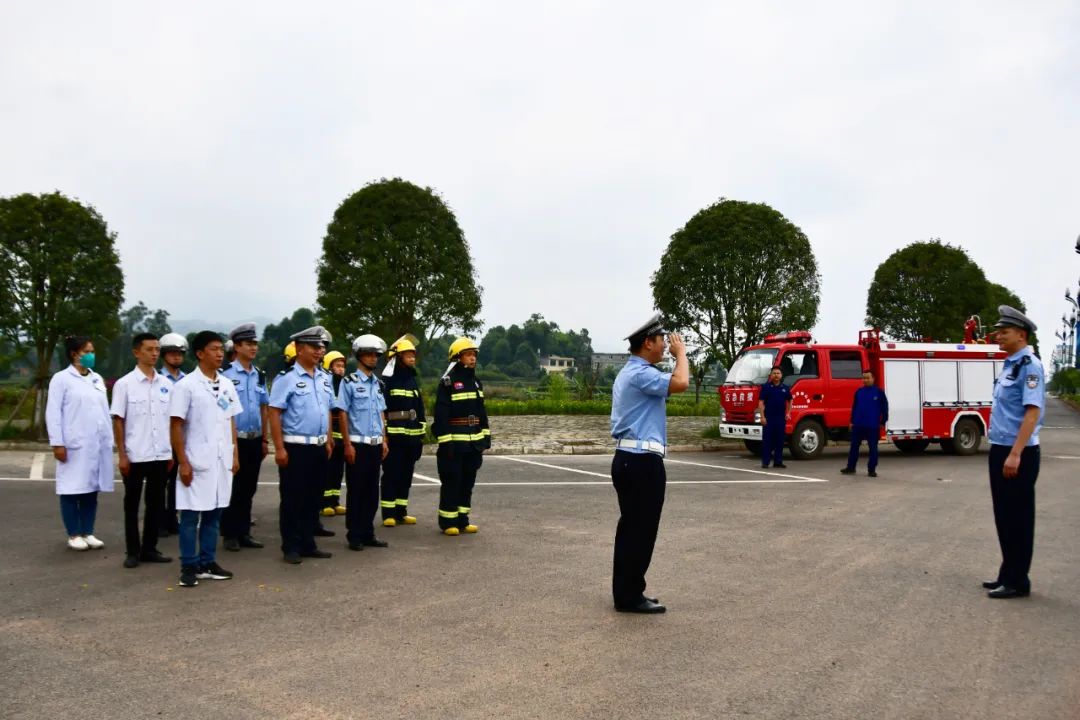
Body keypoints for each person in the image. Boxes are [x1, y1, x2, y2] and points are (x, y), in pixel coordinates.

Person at [609, 313, 689, 614]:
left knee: (632, 529)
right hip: (641, 462)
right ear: (648, 343)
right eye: (661, 340)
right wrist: (681, 354)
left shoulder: (633, 372)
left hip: (631, 459)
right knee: (640, 531)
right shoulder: (641, 374)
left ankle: (629, 591)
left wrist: (673, 356)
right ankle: (629, 596)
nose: (665, 345)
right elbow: (681, 381)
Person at [169, 331, 241, 588]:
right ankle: (188, 565)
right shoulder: (186, 386)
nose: (220, 353)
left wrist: (234, 454)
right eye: (213, 349)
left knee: (215, 513)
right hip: (196, 460)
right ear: (200, 353)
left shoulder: (227, 385)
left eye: (221, 348)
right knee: (190, 516)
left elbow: (231, 420)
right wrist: (183, 462)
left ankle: (207, 562)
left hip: (221, 461)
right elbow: (176, 425)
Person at [983, 306, 1045, 599]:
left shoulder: (1030, 366)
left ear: (1021, 335)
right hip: (1001, 448)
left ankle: (1019, 580)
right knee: (1003, 515)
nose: (998, 336)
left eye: (1004, 332)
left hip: (1017, 452)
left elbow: (1031, 413)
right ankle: (1007, 572)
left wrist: (1016, 454)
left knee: (1017, 517)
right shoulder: (1011, 364)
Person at [268, 326, 336, 564]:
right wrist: (279, 448)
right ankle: (291, 546)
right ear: (299, 349)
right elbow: (274, 412)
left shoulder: (324, 378)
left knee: (313, 498)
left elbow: (326, 409)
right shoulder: (287, 379)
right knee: (292, 498)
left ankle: (308, 542)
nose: (320, 351)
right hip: (295, 447)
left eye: (322, 347)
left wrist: (328, 438)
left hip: (318, 447)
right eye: (315, 347)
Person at [110, 332, 174, 568]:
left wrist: (171, 453)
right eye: (149, 349)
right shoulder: (124, 385)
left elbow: (171, 421)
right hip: (136, 454)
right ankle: (132, 551)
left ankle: (150, 548)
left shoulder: (166, 385)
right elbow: (119, 420)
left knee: (156, 504)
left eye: (157, 349)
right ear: (137, 352)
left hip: (161, 454)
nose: (155, 353)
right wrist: (122, 455)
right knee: (132, 503)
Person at [46, 336, 114, 551]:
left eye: (92, 351)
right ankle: (74, 534)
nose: (91, 355)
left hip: (96, 444)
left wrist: (108, 440)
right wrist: (58, 443)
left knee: (91, 489)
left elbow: (104, 411)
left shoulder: (96, 379)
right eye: (87, 351)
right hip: (74, 444)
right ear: (75, 354)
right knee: (71, 490)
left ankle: (88, 531)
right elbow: (53, 413)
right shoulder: (61, 379)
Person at [335, 335, 390, 550]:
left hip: (375, 445)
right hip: (357, 445)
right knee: (356, 491)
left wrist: (384, 440)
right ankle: (354, 535)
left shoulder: (378, 384)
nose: (373, 358)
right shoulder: (349, 383)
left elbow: (381, 414)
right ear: (359, 356)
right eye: (368, 354)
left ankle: (368, 532)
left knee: (371, 492)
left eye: (376, 355)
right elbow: (343, 414)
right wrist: (347, 444)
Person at [432, 337, 490, 536]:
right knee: (452, 481)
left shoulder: (476, 382)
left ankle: (463, 520)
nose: (472, 358)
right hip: (455, 444)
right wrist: (446, 442)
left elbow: (481, 412)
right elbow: (441, 414)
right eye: (468, 354)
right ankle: (448, 522)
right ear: (457, 358)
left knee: (467, 482)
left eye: (474, 354)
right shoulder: (448, 382)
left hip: (473, 444)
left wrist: (485, 436)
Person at [220, 323, 269, 552]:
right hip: (234, 439)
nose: (253, 348)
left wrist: (264, 439)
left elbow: (263, 407)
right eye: (248, 344)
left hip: (254, 438)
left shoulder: (259, 376)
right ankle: (230, 533)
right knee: (233, 487)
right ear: (237, 347)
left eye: (255, 344)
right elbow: (221, 411)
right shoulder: (225, 376)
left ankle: (244, 532)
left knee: (249, 487)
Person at [380, 334, 425, 527]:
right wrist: (385, 435)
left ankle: (401, 512)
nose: (413, 358)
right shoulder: (387, 380)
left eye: (413, 355)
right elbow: (382, 409)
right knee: (391, 474)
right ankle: (388, 513)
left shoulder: (412, 380)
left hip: (412, 437)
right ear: (398, 357)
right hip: (394, 437)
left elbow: (419, 408)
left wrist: (421, 433)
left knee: (406, 475)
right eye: (408, 355)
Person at [157, 332, 188, 537]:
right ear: (164, 355)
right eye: (172, 353)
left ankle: (173, 517)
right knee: (160, 482)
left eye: (180, 353)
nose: (176, 357)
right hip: (162, 438)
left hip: (182, 439)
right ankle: (159, 520)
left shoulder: (188, 380)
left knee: (177, 482)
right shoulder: (157, 379)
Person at [841, 368, 889, 477]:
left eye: (868, 378)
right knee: (854, 447)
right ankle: (850, 467)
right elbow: (854, 408)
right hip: (858, 425)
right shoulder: (859, 392)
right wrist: (851, 421)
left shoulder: (879, 392)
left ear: (873, 379)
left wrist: (883, 421)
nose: (865, 380)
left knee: (873, 448)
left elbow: (885, 408)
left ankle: (871, 469)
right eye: (864, 378)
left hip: (872, 426)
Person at [321, 350, 348, 518]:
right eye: (337, 365)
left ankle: (335, 500)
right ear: (328, 367)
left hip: (341, 432)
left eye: (343, 366)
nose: (341, 369)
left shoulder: (344, 384)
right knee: (328, 469)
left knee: (338, 470)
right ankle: (324, 503)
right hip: (329, 431)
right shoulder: (325, 383)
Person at [757, 366, 791, 469]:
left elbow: (790, 400)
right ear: (771, 375)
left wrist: (788, 413)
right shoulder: (766, 387)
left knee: (779, 441)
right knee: (767, 441)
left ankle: (778, 462)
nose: (776, 375)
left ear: (781, 375)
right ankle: (765, 462)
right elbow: (761, 402)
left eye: (778, 373)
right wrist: (762, 417)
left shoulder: (785, 388)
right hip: (769, 418)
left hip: (781, 419)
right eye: (774, 373)